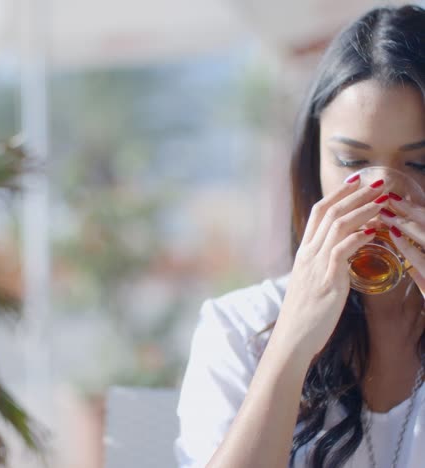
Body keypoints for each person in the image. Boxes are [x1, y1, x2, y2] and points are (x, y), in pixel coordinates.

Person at [174, 4, 425, 468]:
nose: (383, 195)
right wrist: (291, 345)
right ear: (314, 163)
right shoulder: (242, 329)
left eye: (418, 164)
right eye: (352, 163)